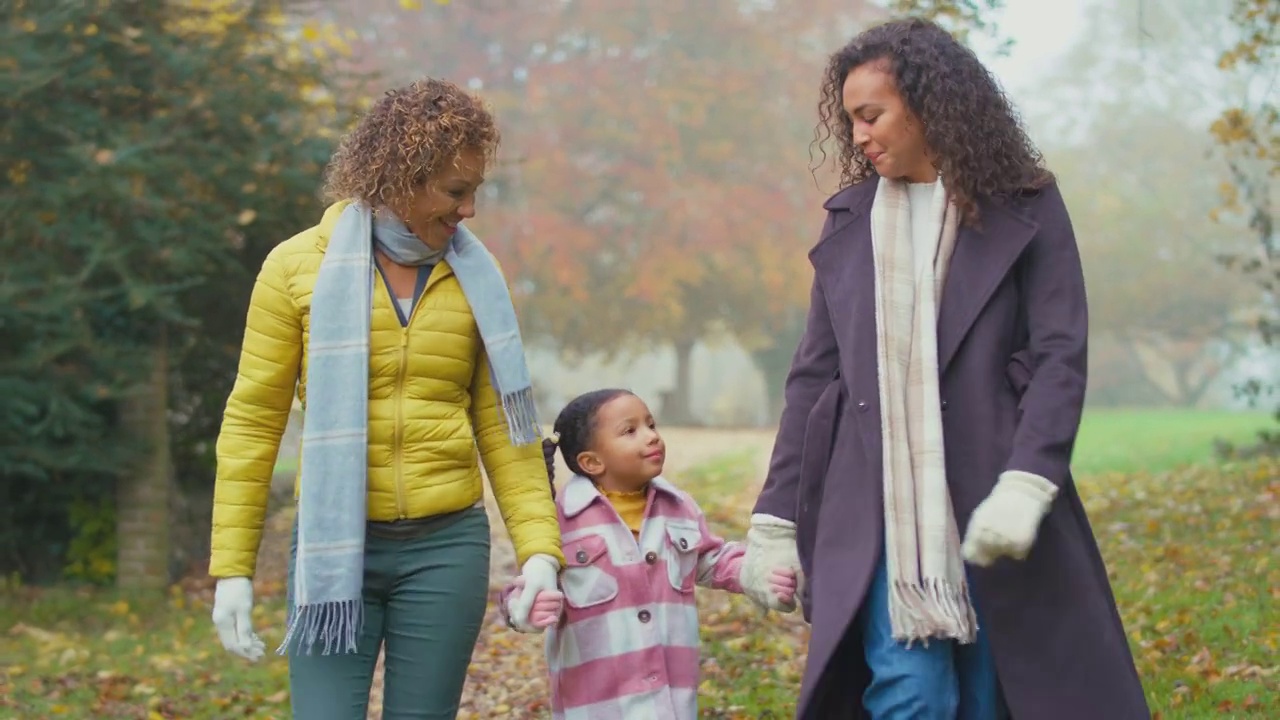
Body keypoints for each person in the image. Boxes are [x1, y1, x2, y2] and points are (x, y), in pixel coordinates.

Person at [738, 18, 1151, 720]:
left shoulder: (1028, 206)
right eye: (851, 121)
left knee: (991, 699)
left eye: (872, 115)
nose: (859, 135)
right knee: (914, 695)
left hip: (995, 496)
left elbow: (1059, 355)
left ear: (930, 105)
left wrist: (1028, 483)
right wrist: (774, 519)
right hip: (873, 504)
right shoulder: (848, 222)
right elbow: (812, 380)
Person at [206, 78, 564, 720]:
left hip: (446, 549)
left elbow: (505, 428)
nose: (470, 210)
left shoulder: (474, 276)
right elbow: (253, 422)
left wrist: (539, 549)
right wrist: (232, 567)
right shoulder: (294, 269)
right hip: (333, 547)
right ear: (401, 177)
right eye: (457, 191)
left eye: (477, 189)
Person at [500, 389, 799, 719]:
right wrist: (525, 608)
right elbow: (525, 585)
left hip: (669, 701)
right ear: (592, 461)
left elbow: (709, 559)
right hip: (596, 707)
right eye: (630, 431)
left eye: (651, 425)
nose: (652, 437)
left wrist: (755, 574)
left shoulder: (678, 507)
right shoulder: (559, 521)